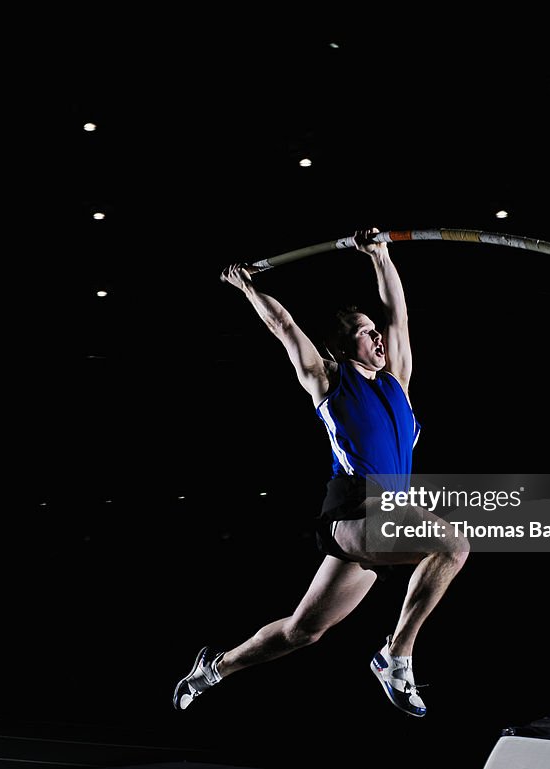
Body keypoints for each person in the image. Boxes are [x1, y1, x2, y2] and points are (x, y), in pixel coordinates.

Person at [172, 229, 468, 717]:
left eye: (375, 330)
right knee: (452, 544)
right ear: (340, 345)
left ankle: (215, 668)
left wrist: (381, 255)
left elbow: (399, 314)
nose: (376, 336)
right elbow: (285, 326)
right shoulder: (327, 380)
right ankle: (395, 655)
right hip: (355, 513)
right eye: (362, 330)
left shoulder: (399, 383)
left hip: (383, 525)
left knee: (302, 631)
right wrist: (247, 286)